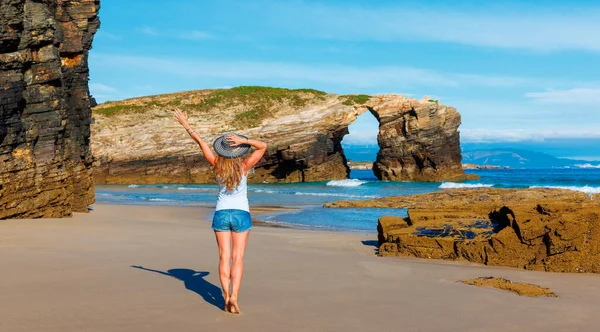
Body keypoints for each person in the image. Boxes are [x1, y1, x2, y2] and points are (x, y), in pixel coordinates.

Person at [172, 108, 267, 314]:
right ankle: (234, 296)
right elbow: (263, 147)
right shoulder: (244, 166)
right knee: (238, 257)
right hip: (241, 213)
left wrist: (186, 125)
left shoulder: (216, 164)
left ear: (221, 151)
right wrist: (245, 142)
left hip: (222, 213)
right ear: (237, 151)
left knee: (224, 256)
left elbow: (201, 143)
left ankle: (225, 295)